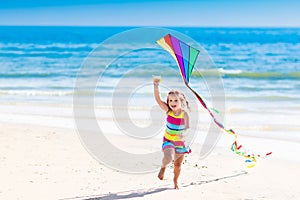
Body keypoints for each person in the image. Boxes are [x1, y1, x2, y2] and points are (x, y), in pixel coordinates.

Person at [153, 76, 191, 189]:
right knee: (168, 157)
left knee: (178, 165)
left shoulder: (184, 114)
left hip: (181, 142)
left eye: (175, 100)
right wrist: (156, 86)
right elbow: (158, 100)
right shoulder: (168, 110)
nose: (172, 102)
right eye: (170, 100)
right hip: (168, 140)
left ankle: (175, 181)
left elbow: (188, 128)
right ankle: (163, 167)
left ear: (181, 101)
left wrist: (183, 134)